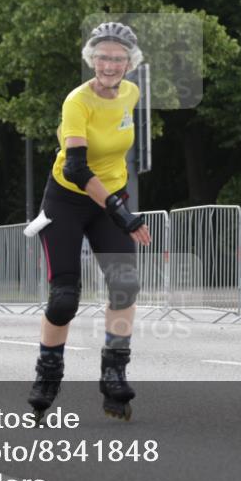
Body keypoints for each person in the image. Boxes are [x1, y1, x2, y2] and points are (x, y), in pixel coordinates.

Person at [27, 22, 152, 422]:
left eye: (118, 57)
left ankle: (113, 373)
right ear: (91, 59)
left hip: (110, 198)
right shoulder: (75, 102)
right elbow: (78, 168)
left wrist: (115, 205)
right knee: (64, 297)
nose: (110, 64)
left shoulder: (131, 93)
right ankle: (48, 375)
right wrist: (122, 214)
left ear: (130, 63)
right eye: (103, 56)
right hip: (66, 198)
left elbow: (114, 147)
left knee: (125, 285)